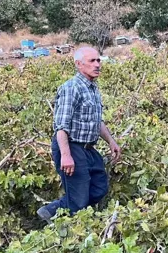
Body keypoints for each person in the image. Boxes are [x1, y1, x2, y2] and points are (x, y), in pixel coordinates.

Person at [38, 46, 121, 221]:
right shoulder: (71, 88)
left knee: (99, 188)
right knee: (79, 200)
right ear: (79, 64)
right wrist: (66, 156)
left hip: (88, 148)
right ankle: (64, 223)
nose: (97, 64)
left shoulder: (93, 89)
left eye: (98, 60)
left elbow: (97, 122)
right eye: (92, 61)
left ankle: (54, 209)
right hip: (71, 146)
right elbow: (61, 126)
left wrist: (111, 142)